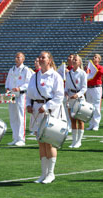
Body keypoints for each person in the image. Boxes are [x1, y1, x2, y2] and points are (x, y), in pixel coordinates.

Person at [26, 51, 64, 184]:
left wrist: (47, 106)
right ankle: (43, 173)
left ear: (49, 60)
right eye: (40, 57)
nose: (41, 59)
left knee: (49, 142)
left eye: (44, 57)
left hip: (50, 111)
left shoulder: (55, 76)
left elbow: (59, 96)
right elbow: (29, 93)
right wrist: (29, 105)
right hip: (37, 110)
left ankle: (51, 173)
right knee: (41, 142)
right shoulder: (34, 76)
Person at [5, 52, 33, 146]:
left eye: (19, 57)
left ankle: (21, 139)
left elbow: (29, 83)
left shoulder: (26, 70)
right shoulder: (12, 69)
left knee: (21, 117)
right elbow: (8, 81)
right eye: (16, 57)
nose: (17, 59)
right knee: (13, 117)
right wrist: (8, 88)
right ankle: (15, 137)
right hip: (12, 95)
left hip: (21, 95)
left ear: (23, 59)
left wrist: (20, 88)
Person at [65, 54, 87, 148]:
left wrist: (77, 95)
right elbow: (66, 86)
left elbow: (84, 88)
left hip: (79, 98)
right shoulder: (69, 73)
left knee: (80, 120)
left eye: (76, 60)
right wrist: (66, 93)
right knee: (72, 120)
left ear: (79, 62)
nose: (74, 61)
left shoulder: (82, 73)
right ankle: (74, 141)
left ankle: (79, 141)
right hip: (70, 98)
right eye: (73, 59)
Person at [86, 54, 103, 131]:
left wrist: (96, 68)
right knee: (90, 107)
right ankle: (91, 124)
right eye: (94, 57)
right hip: (89, 87)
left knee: (96, 106)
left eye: (96, 57)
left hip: (96, 87)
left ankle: (96, 124)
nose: (94, 58)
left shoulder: (100, 67)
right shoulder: (89, 67)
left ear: (99, 60)